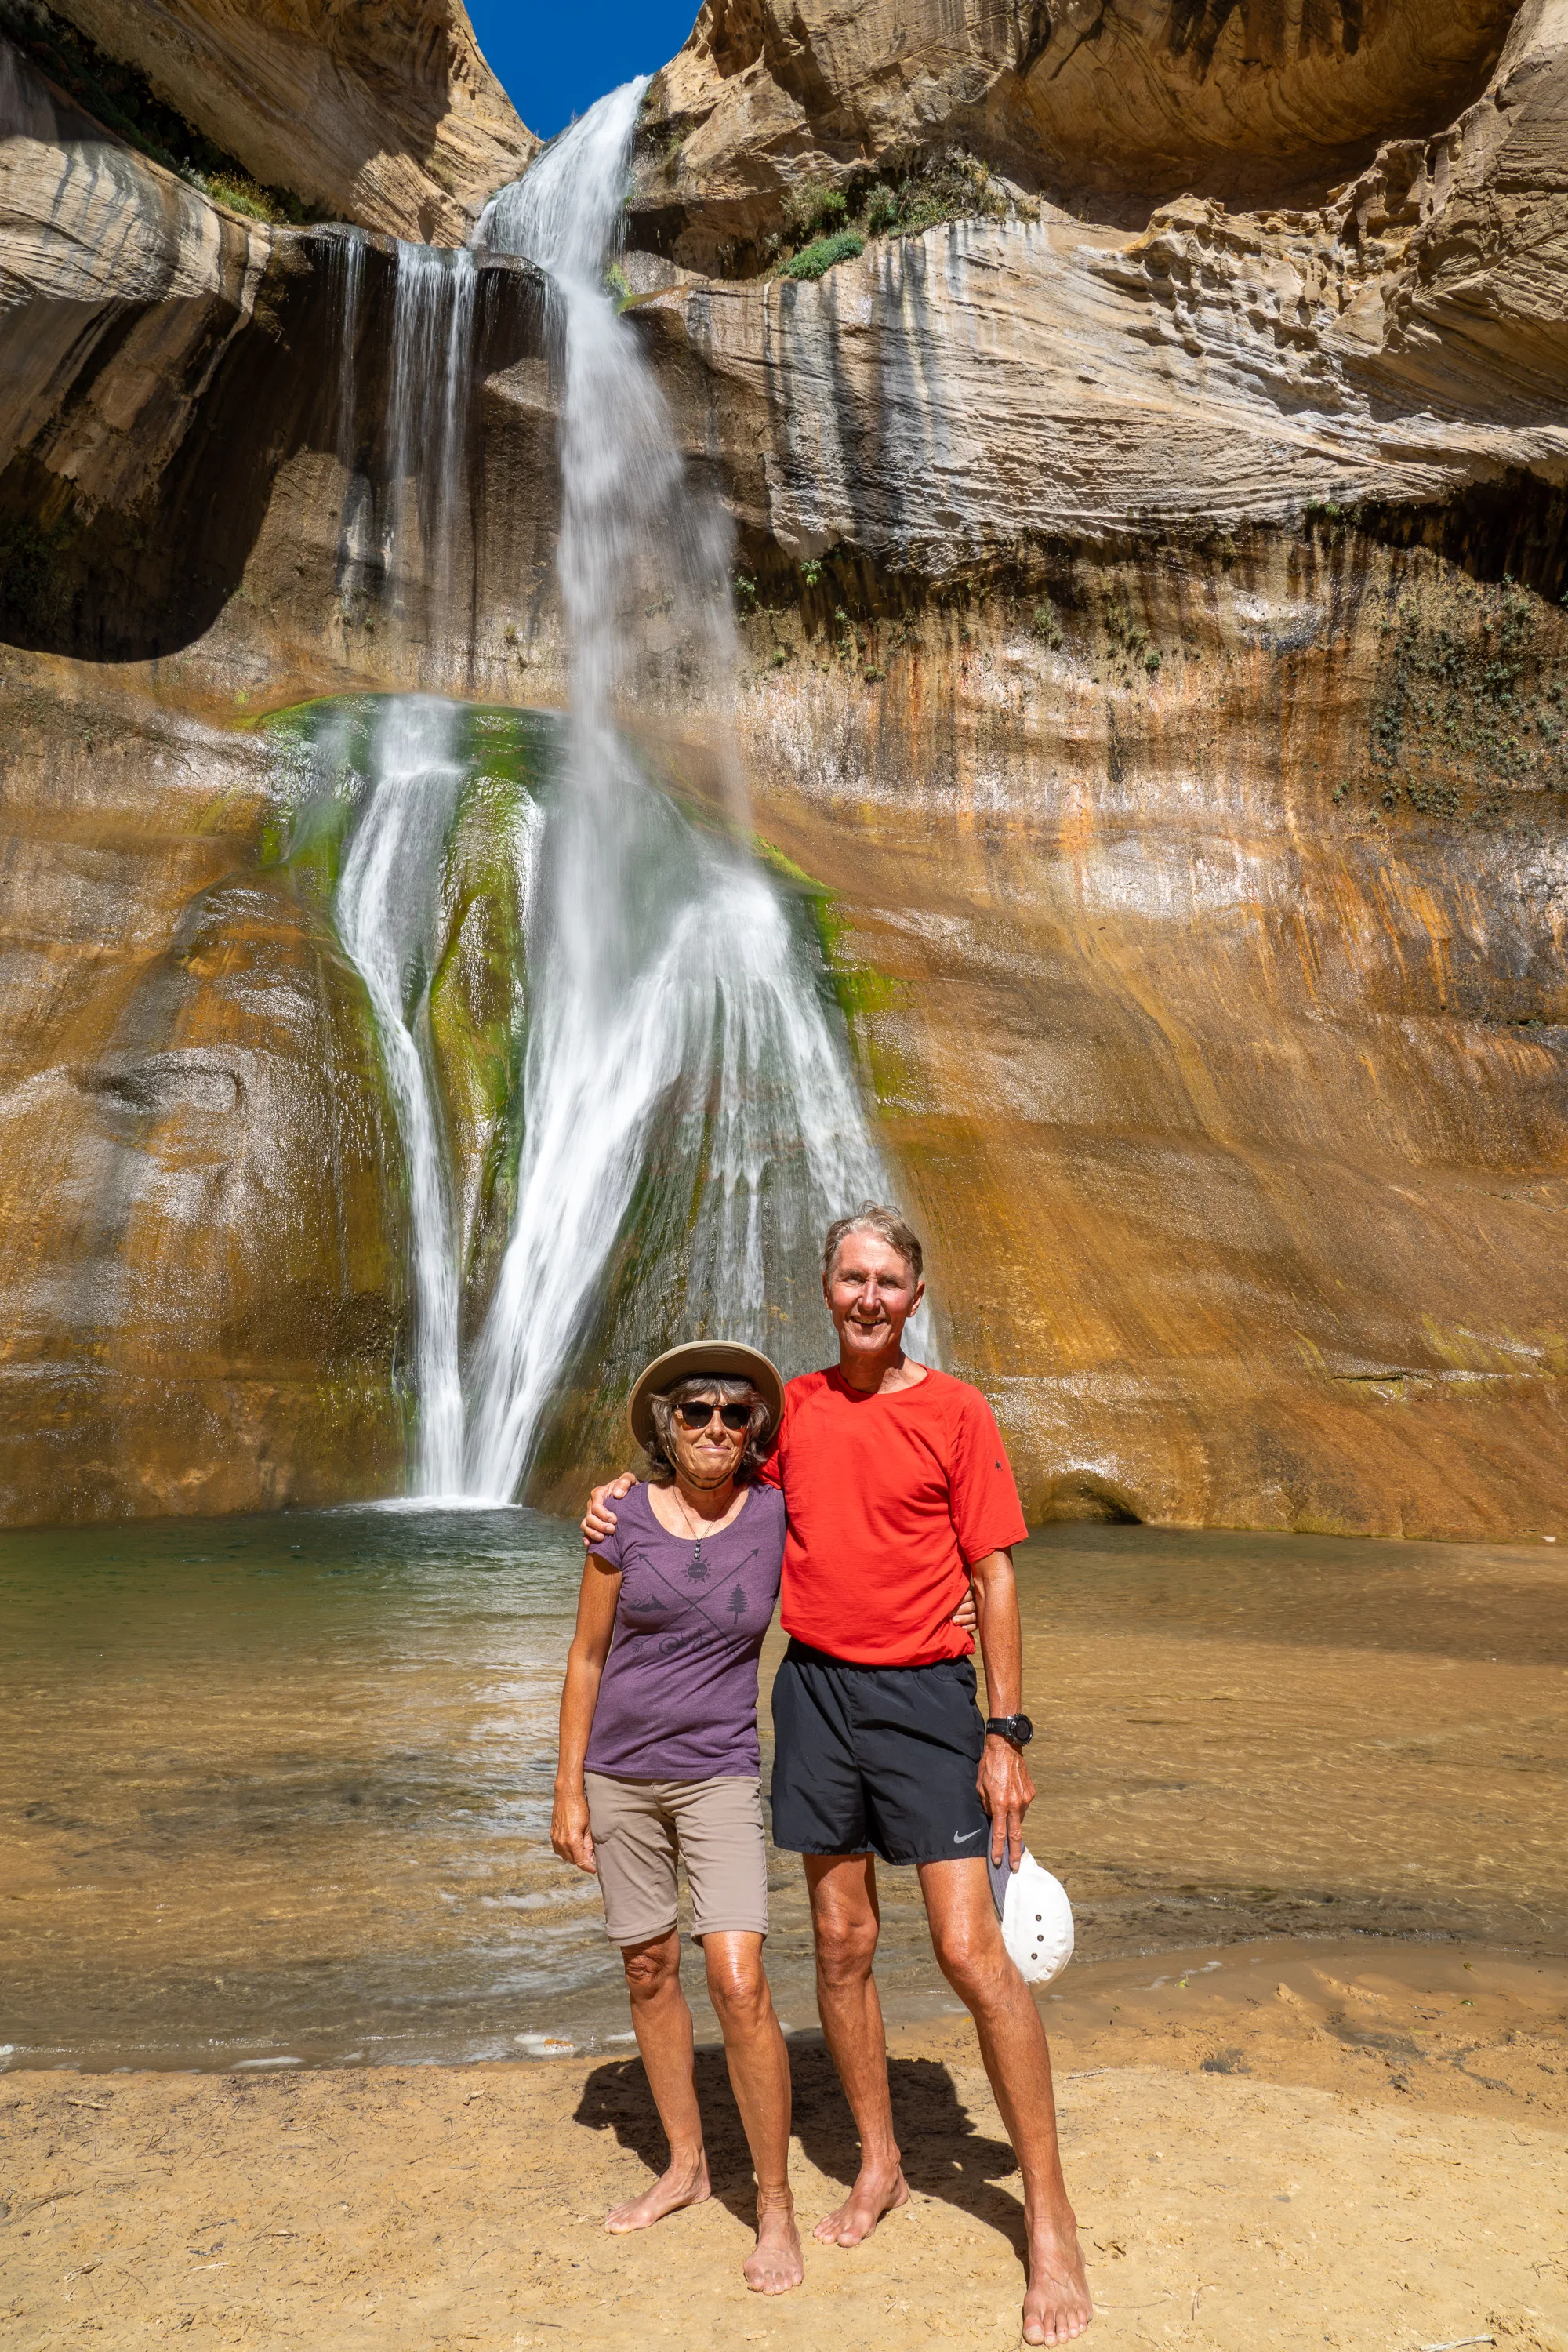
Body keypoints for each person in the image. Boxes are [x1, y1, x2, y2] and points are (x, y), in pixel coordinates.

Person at [585, 1204, 1094, 2348]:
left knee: (972, 1951)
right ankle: (879, 2163)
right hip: (812, 1693)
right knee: (843, 1942)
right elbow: (699, 1473)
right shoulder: (794, 1412)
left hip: (925, 1702)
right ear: (828, 1289)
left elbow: (994, 1573)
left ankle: (1049, 2218)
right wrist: (612, 1498)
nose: (869, 1296)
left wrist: (1005, 1730)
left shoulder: (958, 1412)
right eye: (852, 1278)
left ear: (914, 1296)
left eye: (889, 1280)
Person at [551, 1341, 804, 2294]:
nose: (711, 1428)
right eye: (692, 1411)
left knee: (737, 1979)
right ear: (666, 1424)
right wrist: (567, 1787)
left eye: (732, 1415)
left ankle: (772, 2203)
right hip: (618, 1774)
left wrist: (948, 1601)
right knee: (647, 1963)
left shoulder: (777, 1511)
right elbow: (585, 1657)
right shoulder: (619, 1518)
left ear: (754, 1431)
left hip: (719, 1774)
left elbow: (869, 1542)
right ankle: (689, 2167)